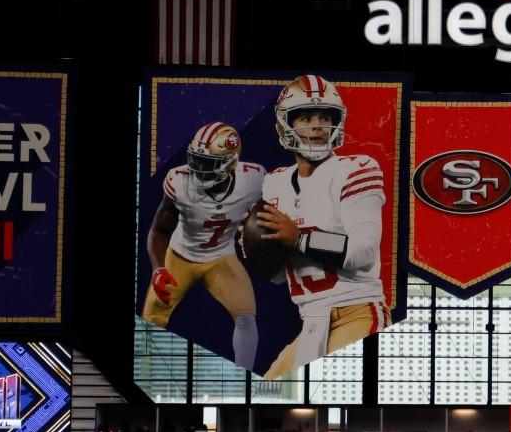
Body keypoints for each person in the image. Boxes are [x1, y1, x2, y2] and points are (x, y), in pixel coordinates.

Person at [252, 75, 392, 378]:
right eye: (305, 116)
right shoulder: (274, 183)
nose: (317, 125)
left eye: (325, 116)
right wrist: (258, 249)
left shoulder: (356, 169)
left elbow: (363, 253)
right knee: (268, 387)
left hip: (356, 311)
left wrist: (298, 238)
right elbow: (279, 277)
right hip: (311, 320)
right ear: (284, 125)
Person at [141, 120, 266, 369]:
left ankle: (246, 385)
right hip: (179, 257)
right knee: (149, 322)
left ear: (230, 163)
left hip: (221, 257)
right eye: (195, 158)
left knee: (246, 318)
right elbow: (158, 230)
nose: (197, 168)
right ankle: (142, 381)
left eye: (206, 162)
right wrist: (158, 269)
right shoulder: (178, 180)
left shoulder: (254, 179)